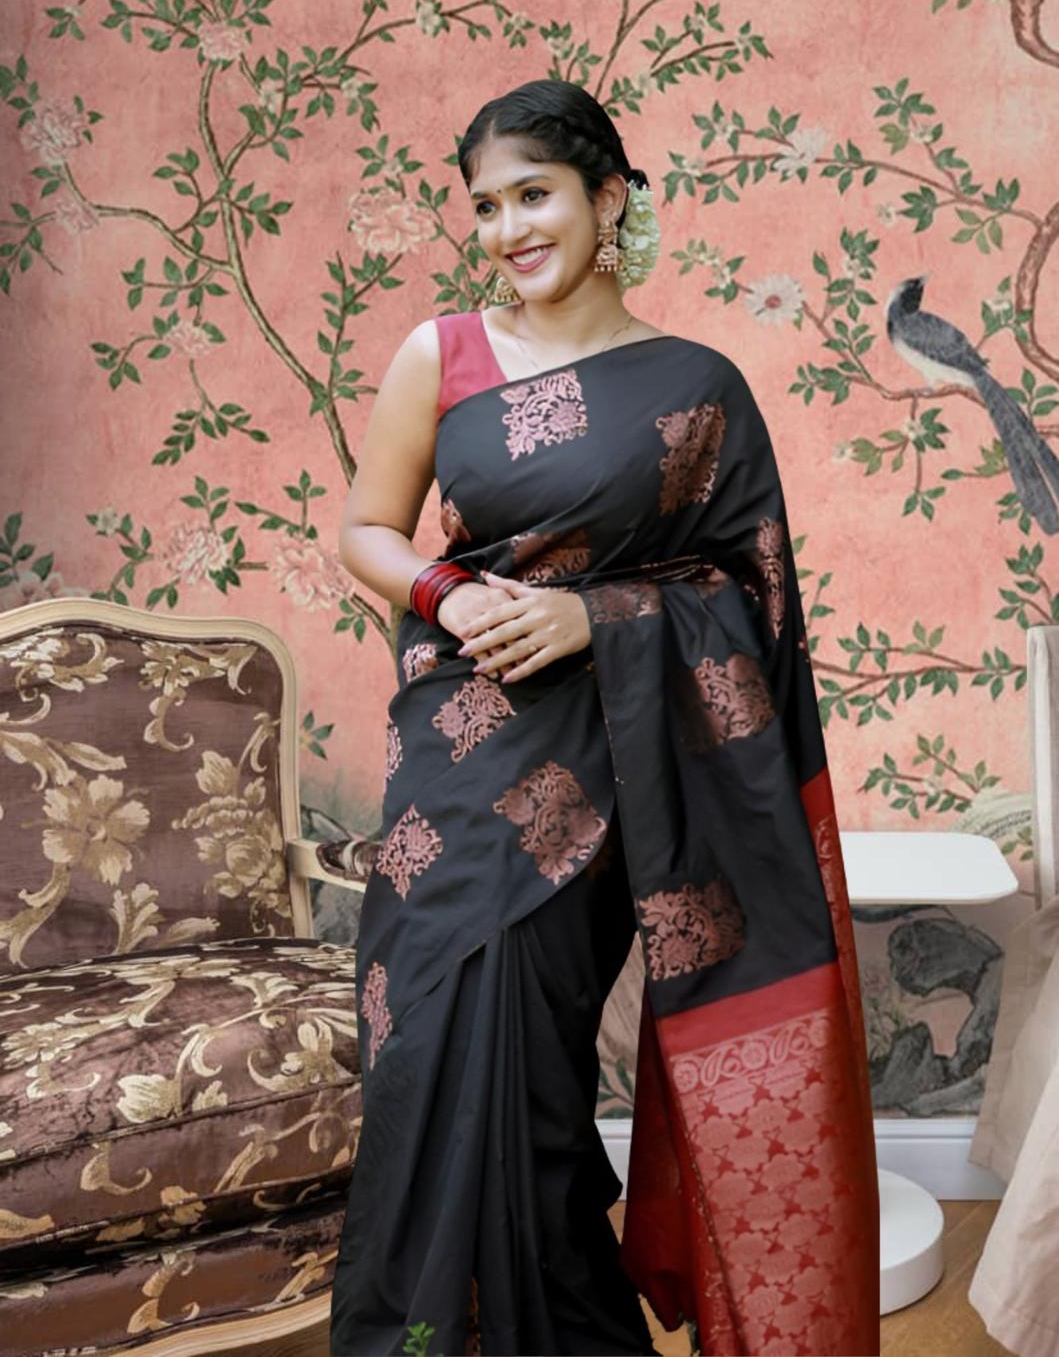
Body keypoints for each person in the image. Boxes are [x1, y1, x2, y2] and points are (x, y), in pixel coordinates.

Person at [329, 78, 880, 1357]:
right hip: (456, 772)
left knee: (530, 1096)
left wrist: (603, 620)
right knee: (423, 1076)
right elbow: (366, 528)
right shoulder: (443, 355)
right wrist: (446, 595)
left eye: (534, 195)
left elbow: (753, 598)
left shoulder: (697, 386)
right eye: (486, 206)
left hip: (599, 779)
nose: (509, 228)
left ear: (607, 200)